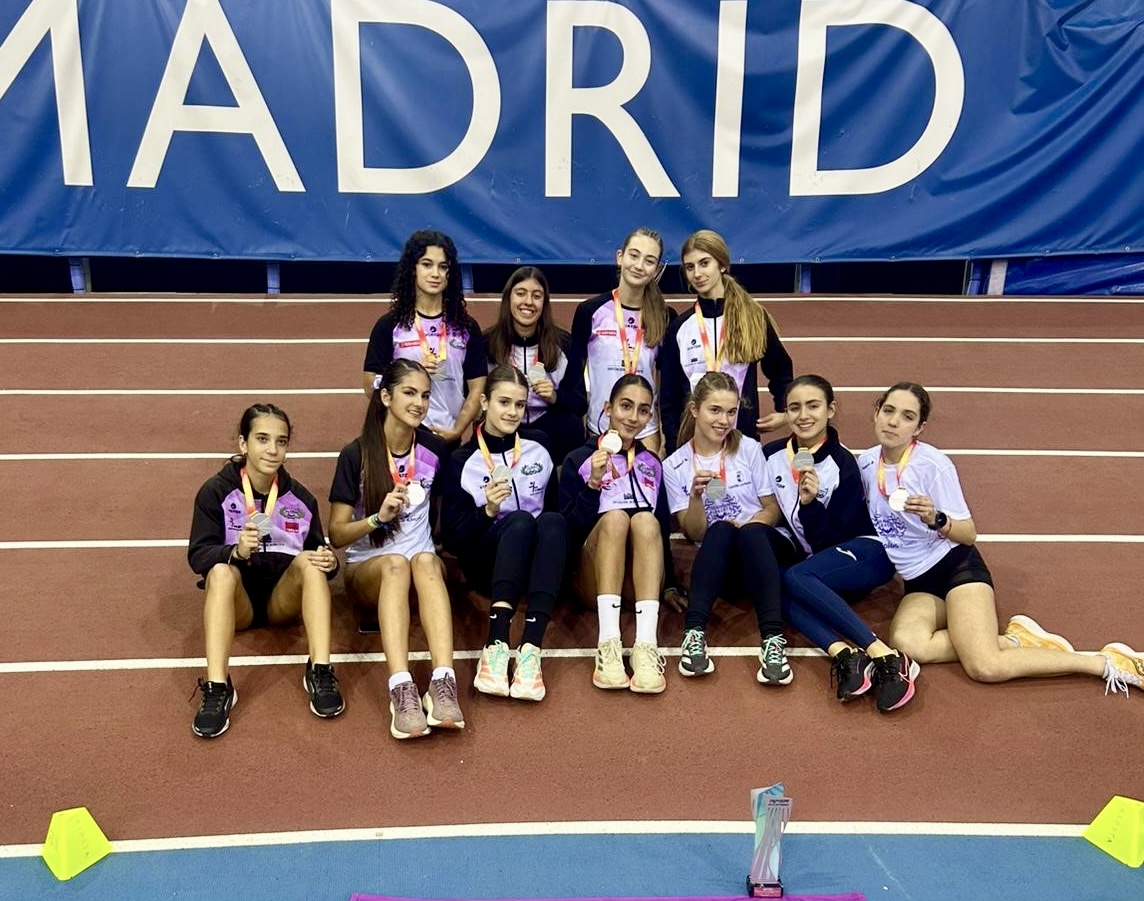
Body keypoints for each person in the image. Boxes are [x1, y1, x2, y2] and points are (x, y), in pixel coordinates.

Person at [861, 382, 1143, 696]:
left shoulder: (933, 465)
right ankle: (1015, 640)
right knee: (908, 644)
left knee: (985, 666)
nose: (894, 421)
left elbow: (968, 534)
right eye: (888, 411)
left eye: (907, 416)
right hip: (919, 583)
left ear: (919, 428)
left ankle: (1105, 663)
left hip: (956, 569)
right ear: (876, 413)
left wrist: (936, 519)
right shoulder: (865, 464)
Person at [187, 404, 343, 739]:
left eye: (281, 441)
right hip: (238, 604)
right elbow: (198, 555)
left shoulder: (301, 499)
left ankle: (320, 669)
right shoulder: (215, 492)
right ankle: (218, 687)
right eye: (262, 439)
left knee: (311, 564)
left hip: (281, 602)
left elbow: (317, 548)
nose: (272, 449)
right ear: (243, 443)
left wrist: (330, 563)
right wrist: (235, 551)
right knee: (220, 573)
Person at [329, 359, 465, 739]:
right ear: (386, 397)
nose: (419, 403)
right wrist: (377, 518)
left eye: (425, 395)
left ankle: (443, 683)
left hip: (419, 574)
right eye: (409, 393)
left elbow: (443, 517)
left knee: (426, 561)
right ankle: (401, 688)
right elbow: (336, 535)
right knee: (395, 564)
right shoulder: (356, 455)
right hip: (370, 572)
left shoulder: (435, 450)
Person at [773, 376, 914, 712]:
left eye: (813, 406)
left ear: (830, 410)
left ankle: (885, 654)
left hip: (865, 553)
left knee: (795, 577)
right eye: (794, 407)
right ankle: (845, 654)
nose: (803, 415)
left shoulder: (843, 465)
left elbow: (837, 539)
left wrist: (811, 506)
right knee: (774, 583)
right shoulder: (771, 456)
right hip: (817, 568)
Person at [442, 365, 567, 702]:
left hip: (536, 571)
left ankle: (530, 650)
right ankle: (496, 645)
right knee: (521, 521)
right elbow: (451, 539)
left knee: (553, 522)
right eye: (504, 402)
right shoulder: (462, 461)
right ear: (484, 403)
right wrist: (486, 512)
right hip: (489, 567)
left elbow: (552, 508)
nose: (513, 412)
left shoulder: (539, 446)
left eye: (520, 404)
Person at [662, 372, 792, 686]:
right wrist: (695, 497)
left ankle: (773, 642)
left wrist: (746, 527)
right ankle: (694, 636)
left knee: (746, 534)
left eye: (731, 412)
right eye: (715, 410)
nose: (724, 421)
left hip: (764, 548)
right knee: (719, 530)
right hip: (724, 563)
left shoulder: (749, 449)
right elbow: (695, 534)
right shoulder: (674, 466)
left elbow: (772, 510)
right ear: (695, 409)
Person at [560, 374, 671, 693]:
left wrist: (671, 584)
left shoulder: (652, 463)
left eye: (643, 410)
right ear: (608, 408)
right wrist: (593, 484)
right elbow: (566, 533)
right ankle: (608, 643)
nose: (633, 417)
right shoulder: (578, 459)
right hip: (593, 579)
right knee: (616, 519)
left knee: (646, 522)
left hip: (639, 583)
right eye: (625, 406)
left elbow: (662, 527)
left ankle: (646, 647)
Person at [660, 229, 793, 455]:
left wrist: (784, 409)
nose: (697, 274)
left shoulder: (753, 316)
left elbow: (780, 367)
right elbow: (669, 397)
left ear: (721, 265)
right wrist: (675, 447)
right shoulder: (680, 327)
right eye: (690, 267)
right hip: (693, 443)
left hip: (741, 439)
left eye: (704, 263)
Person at [363, 229, 487, 444]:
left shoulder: (466, 327)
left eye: (443, 267)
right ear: (413, 269)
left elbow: (477, 388)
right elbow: (369, 384)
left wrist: (457, 430)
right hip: (402, 437)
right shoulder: (390, 325)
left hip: (448, 437)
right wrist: (409, 372)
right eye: (427, 264)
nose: (435, 273)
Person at [566, 227, 675, 456]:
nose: (639, 265)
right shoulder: (590, 311)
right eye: (634, 255)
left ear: (656, 270)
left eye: (649, 261)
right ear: (620, 257)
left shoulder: (665, 316)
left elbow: (667, 384)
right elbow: (575, 376)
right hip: (601, 426)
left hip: (645, 429)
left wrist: (665, 436)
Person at [484, 266, 586, 462]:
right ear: (508, 298)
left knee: (570, 425)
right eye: (520, 293)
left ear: (544, 303)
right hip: (503, 424)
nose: (528, 302)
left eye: (537, 296)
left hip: (548, 426)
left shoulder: (564, 344)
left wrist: (555, 397)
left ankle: (563, 478)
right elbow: (475, 395)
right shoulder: (487, 343)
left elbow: (580, 404)